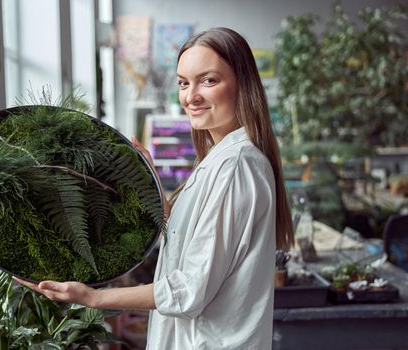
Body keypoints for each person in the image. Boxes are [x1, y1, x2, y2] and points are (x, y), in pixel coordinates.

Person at [16, 27, 294, 349]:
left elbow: (189, 289)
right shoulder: (220, 160)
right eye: (183, 83)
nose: (191, 96)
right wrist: (153, 189)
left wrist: (94, 296)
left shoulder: (235, 165)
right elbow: (195, 244)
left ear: (242, 84)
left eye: (208, 80)